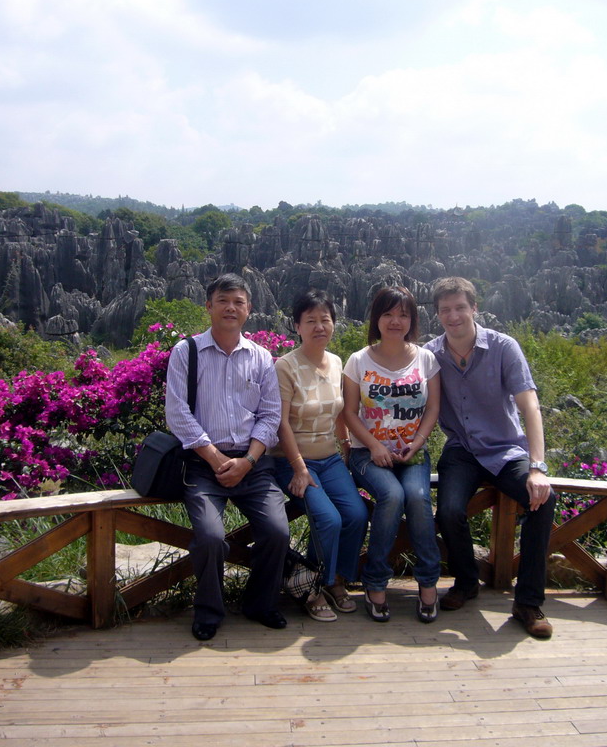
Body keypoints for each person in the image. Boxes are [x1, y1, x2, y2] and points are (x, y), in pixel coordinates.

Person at [424, 277, 556, 638]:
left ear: (474, 308)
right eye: (445, 309)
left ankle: (528, 602)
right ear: (437, 314)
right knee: (448, 511)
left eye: (460, 307)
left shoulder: (503, 347)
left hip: (504, 449)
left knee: (542, 500)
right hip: (461, 451)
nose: (453, 316)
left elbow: (529, 405)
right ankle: (466, 583)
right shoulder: (430, 355)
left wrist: (537, 467)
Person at [165, 273, 291, 641]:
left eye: (238, 302)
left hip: (253, 464)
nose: (231, 308)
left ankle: (260, 603)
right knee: (209, 537)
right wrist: (217, 458)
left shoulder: (262, 357)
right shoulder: (185, 352)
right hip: (204, 466)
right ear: (208, 306)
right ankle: (208, 610)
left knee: (277, 532)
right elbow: (177, 413)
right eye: (223, 300)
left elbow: (270, 416)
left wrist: (248, 461)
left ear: (249, 309)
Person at [342, 285, 442, 623]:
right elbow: (350, 413)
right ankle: (375, 582)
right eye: (388, 313)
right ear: (377, 318)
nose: (395, 320)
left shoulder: (426, 358)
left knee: (416, 496)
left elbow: (433, 407)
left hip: (413, 453)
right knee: (392, 496)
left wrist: (419, 440)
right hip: (367, 454)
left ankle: (428, 581)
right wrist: (374, 445)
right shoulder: (358, 361)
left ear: (412, 319)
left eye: (403, 314)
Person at [272, 290, 369, 622]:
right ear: (297, 326)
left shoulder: (337, 362)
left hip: (328, 458)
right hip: (291, 460)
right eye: (310, 320)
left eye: (324, 319)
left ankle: (335, 581)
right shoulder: (285, 366)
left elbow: (339, 411)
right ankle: (310, 588)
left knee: (356, 514)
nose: (318, 326)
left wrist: (345, 446)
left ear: (333, 325)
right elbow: (280, 422)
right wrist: (298, 468)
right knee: (328, 518)